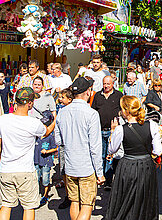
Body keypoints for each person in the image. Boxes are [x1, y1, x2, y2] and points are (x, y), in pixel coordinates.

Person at [0, 87, 55, 220]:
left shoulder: (3, 119)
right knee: (29, 207)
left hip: (6, 168)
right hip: (25, 170)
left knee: (6, 205)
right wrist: (54, 120)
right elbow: (46, 131)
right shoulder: (33, 123)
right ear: (30, 103)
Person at [55, 77, 105, 220]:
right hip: (86, 166)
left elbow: (59, 140)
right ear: (88, 92)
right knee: (87, 204)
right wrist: (100, 172)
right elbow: (95, 146)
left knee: (75, 201)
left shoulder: (62, 112)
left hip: (70, 165)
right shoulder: (91, 114)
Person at [105, 96, 162, 220]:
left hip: (128, 165)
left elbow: (112, 149)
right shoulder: (151, 125)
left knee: (126, 197)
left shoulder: (121, 129)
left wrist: (112, 131)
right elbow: (158, 150)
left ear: (126, 111)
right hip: (146, 165)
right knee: (144, 197)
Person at [92, 76, 123, 190]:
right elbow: (94, 111)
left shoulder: (118, 95)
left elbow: (121, 110)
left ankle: (108, 181)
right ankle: (100, 177)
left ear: (113, 84)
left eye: (108, 84)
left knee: (109, 156)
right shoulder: (97, 96)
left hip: (112, 131)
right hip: (100, 130)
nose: (105, 86)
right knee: (100, 155)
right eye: (104, 83)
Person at [34, 112, 58, 206]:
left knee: (45, 179)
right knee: (36, 178)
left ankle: (45, 195)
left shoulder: (50, 137)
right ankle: (37, 195)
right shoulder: (36, 136)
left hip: (46, 162)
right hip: (36, 160)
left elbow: (55, 148)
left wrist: (47, 152)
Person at [56, 89, 74, 210]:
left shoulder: (72, 111)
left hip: (71, 144)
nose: (60, 99)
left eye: (63, 97)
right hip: (62, 144)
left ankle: (74, 196)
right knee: (63, 171)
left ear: (70, 99)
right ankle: (68, 196)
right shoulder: (61, 110)